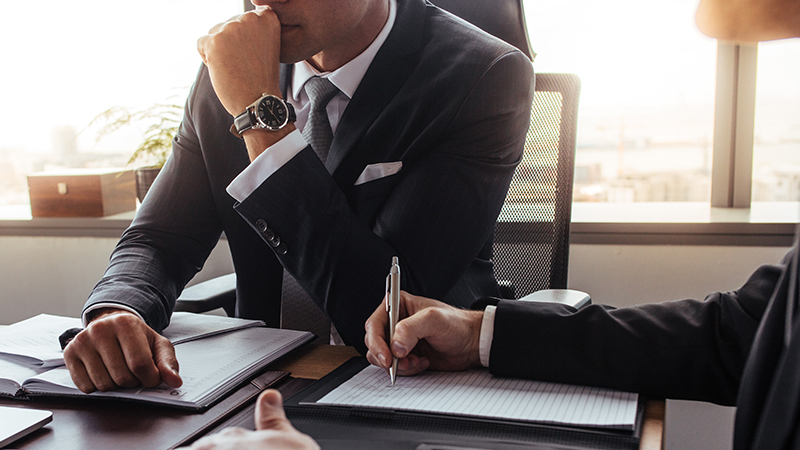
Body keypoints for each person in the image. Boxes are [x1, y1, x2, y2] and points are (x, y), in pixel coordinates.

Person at [64, 0, 534, 394]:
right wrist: (118, 310)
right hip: (259, 384)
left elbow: (389, 309)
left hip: (416, 382)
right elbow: (161, 238)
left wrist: (261, 120)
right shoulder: (228, 67)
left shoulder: (483, 74)